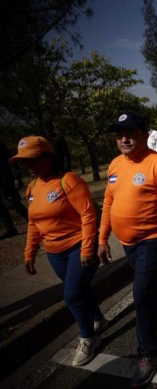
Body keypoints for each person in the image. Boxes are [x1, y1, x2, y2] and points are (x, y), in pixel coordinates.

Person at [97, 112, 157, 387]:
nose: (123, 138)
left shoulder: (155, 162)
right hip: (127, 242)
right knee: (153, 276)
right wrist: (102, 239)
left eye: (130, 133)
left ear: (144, 135)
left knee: (141, 293)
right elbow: (109, 204)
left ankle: (148, 351)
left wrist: (146, 215)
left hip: (151, 238)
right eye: (119, 134)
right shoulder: (114, 165)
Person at [10, 136, 107, 367]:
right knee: (80, 290)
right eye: (24, 162)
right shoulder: (32, 188)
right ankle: (98, 320)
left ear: (48, 157)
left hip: (78, 247)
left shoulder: (68, 180)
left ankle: (88, 338)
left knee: (72, 295)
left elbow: (88, 215)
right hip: (55, 253)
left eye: (32, 159)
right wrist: (29, 253)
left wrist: (86, 249)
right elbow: (34, 223)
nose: (28, 166)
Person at [0, 141, 28, 239]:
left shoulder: (1, 145)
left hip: (5, 179)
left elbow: (11, 161)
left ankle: (32, 222)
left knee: (13, 203)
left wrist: (17, 176)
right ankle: (10, 229)